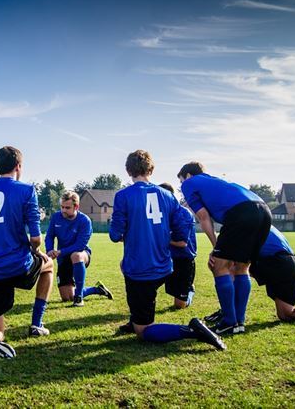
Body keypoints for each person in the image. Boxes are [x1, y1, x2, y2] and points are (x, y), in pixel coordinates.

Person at [110, 150, 225, 351]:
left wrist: (131, 232)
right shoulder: (168, 196)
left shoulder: (123, 196)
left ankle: (191, 330)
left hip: (140, 270)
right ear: (151, 169)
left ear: (128, 170)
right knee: (139, 292)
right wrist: (164, 236)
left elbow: (115, 234)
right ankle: (136, 317)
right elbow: (184, 226)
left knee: (143, 331)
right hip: (164, 266)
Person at [0, 146, 54, 358]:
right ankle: (37, 323)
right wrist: (36, 251)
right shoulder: (26, 190)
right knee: (49, 266)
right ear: (18, 166)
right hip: (17, 265)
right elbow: (36, 238)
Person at [178, 161, 271, 335]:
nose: (182, 185)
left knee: (218, 265)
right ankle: (239, 322)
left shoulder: (190, 183)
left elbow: (204, 217)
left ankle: (229, 321)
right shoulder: (215, 181)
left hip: (241, 213)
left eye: (181, 181)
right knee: (242, 267)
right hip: (264, 211)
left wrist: (216, 246)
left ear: (188, 176)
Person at [45, 190, 113, 306]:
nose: (63, 210)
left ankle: (79, 298)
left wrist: (60, 251)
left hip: (82, 255)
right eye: (62, 207)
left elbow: (80, 245)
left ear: (76, 206)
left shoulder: (84, 221)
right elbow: (49, 236)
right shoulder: (56, 217)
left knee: (76, 255)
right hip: (63, 258)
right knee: (67, 297)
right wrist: (50, 250)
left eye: (67, 208)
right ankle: (96, 289)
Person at [159, 183, 196, 309]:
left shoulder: (183, 214)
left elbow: (182, 243)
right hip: (167, 258)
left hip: (183, 259)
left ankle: (190, 291)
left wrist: (161, 239)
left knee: (179, 305)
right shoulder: (160, 213)